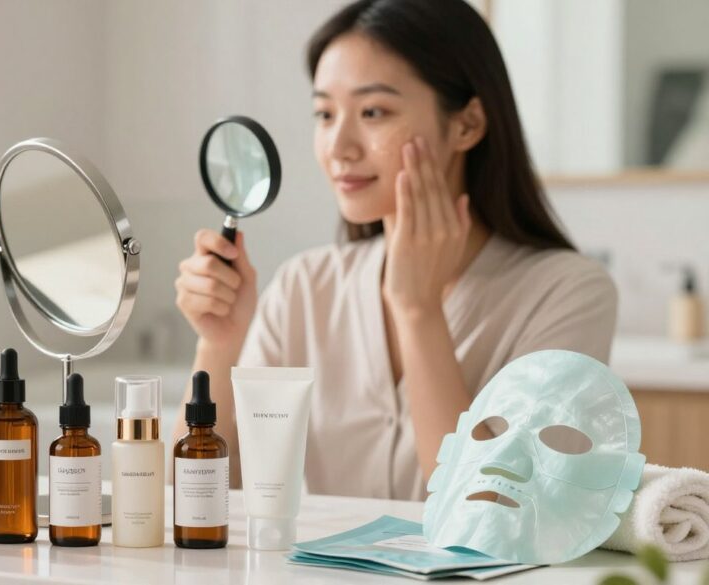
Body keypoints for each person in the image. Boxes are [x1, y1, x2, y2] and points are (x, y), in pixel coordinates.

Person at [171, 0, 617, 500]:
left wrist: (417, 308)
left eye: (373, 112)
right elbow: (195, 499)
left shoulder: (568, 292)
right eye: (324, 113)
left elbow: (497, 512)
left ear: (467, 125)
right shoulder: (304, 287)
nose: (339, 146)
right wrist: (220, 343)